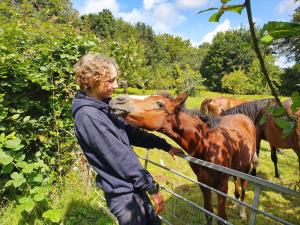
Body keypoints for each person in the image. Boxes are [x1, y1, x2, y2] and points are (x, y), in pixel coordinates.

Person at [71, 53, 182, 225]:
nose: (115, 85)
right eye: (110, 81)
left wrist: (164, 145)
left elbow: (131, 132)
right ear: (92, 80)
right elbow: (120, 157)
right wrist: (152, 188)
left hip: (133, 187)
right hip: (123, 196)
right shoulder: (88, 116)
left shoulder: (103, 107)